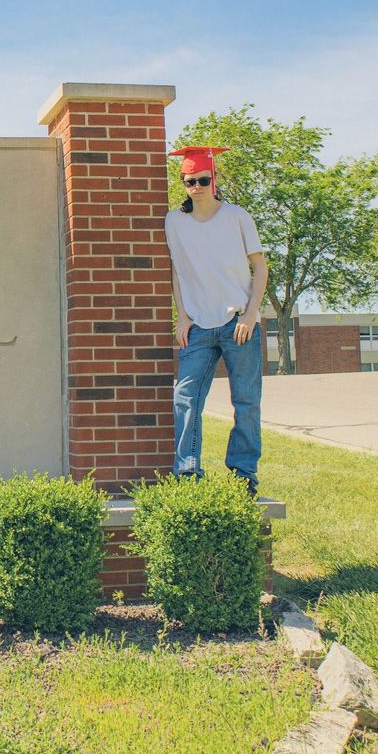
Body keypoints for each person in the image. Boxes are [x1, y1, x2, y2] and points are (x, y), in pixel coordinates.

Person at [164, 146, 268, 494]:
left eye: (203, 180)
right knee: (185, 396)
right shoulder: (174, 222)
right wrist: (182, 316)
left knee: (246, 402)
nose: (197, 186)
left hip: (238, 323)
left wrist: (251, 314)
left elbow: (260, 266)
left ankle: (243, 475)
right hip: (199, 328)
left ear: (215, 180)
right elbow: (178, 272)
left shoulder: (237, 216)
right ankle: (188, 473)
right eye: (190, 181)